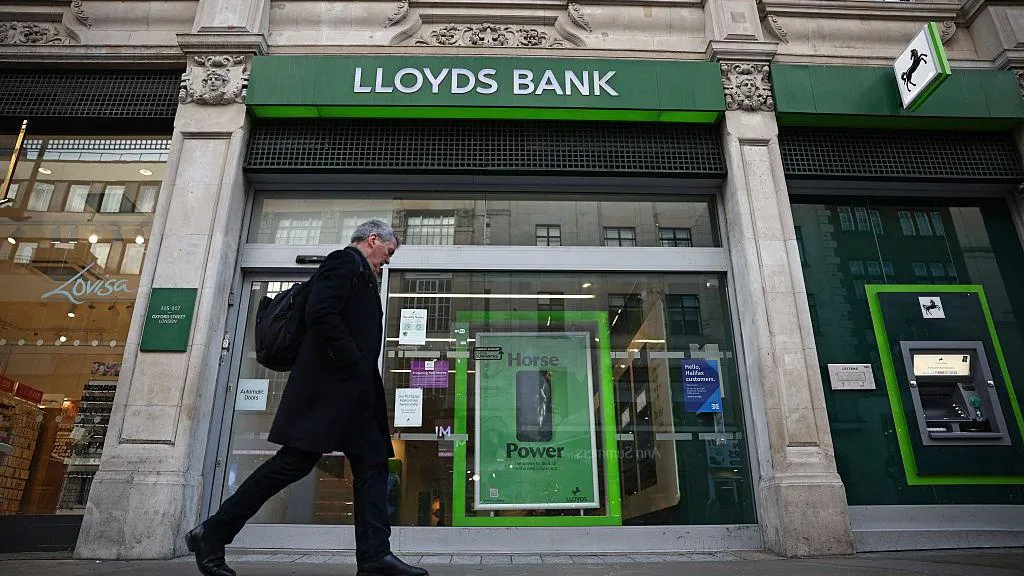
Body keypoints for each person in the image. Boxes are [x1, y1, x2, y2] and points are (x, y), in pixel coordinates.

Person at [186, 220, 427, 576]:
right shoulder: (343, 262)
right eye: (387, 253)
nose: (387, 262)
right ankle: (213, 532)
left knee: (373, 464)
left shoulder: (361, 273)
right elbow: (321, 313)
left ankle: (375, 555)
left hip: (353, 393)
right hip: (330, 389)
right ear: (373, 240)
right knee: (292, 464)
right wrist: (350, 360)